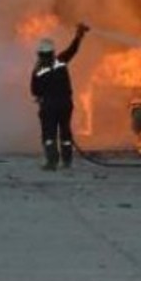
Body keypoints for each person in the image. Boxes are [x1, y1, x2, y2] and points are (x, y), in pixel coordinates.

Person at [30, 22, 90, 170]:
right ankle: (67, 161)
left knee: (49, 135)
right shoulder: (60, 61)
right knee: (65, 133)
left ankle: (52, 162)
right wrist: (79, 35)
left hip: (49, 106)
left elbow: (35, 91)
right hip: (65, 104)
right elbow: (73, 49)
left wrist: (42, 95)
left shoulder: (37, 70)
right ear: (52, 52)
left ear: (39, 54)